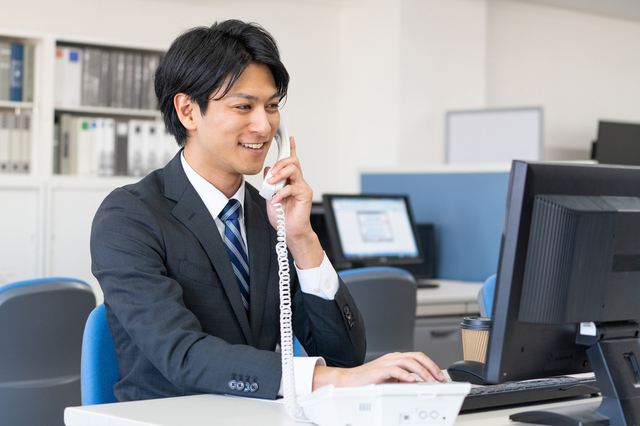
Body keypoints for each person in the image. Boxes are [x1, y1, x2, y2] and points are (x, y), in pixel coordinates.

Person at [90, 19, 445, 403]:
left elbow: (346, 355)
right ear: (188, 111)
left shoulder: (269, 216)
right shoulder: (130, 216)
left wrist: (301, 239)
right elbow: (182, 354)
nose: (263, 125)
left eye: (272, 106)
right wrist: (332, 380)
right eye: (244, 106)